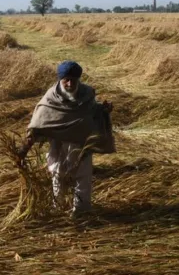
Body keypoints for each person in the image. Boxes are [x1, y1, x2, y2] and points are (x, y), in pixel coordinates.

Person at [18, 60, 115, 216]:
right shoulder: (50, 98)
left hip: (81, 145)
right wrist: (24, 149)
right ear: (60, 79)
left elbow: (92, 111)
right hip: (59, 146)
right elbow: (38, 124)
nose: (70, 84)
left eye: (73, 80)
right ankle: (58, 208)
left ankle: (81, 212)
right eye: (66, 80)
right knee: (58, 175)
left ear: (78, 79)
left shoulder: (87, 94)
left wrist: (103, 109)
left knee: (83, 177)